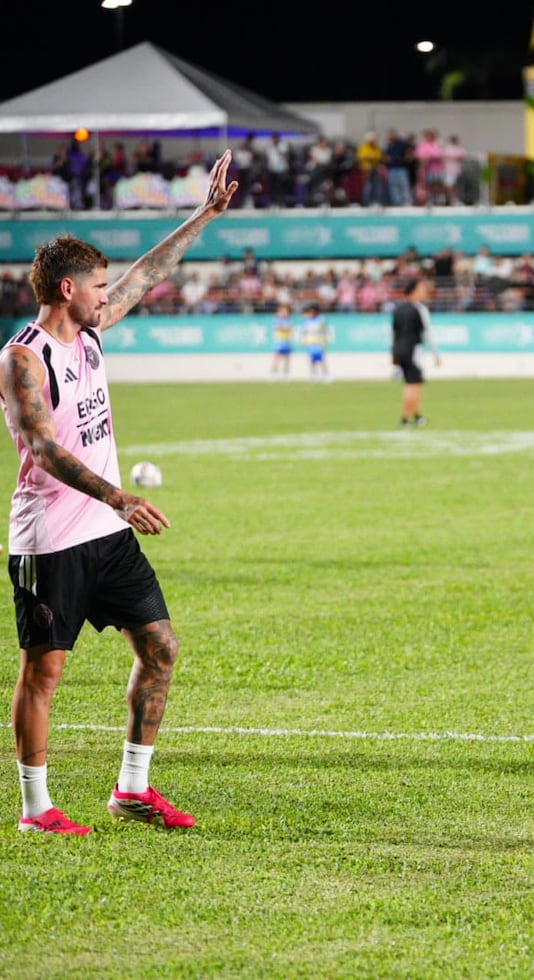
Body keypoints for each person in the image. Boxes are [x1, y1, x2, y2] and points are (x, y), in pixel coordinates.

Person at [0, 150, 238, 835]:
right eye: (99, 285)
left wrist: (205, 214)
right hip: (52, 538)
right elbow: (42, 450)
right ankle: (35, 807)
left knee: (160, 647)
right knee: (44, 673)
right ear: (67, 289)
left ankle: (131, 789)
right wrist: (118, 495)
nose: (110, 293)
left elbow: (150, 273)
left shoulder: (94, 335)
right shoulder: (23, 357)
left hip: (106, 535)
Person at [391, 277, 440, 427]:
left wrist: (393, 353)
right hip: (414, 350)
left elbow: (394, 333)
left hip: (399, 349)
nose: (425, 292)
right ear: (414, 291)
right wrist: (436, 354)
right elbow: (427, 333)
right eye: (422, 289)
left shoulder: (397, 309)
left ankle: (417, 416)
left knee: (410, 383)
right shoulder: (420, 309)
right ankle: (405, 418)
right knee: (414, 384)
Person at [300, 302, 330, 381]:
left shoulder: (321, 320)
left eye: (313, 311)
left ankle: (325, 375)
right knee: (312, 360)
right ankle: (313, 375)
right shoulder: (306, 320)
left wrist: (325, 342)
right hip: (310, 343)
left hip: (319, 342)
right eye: (310, 312)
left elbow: (325, 331)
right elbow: (303, 332)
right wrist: (304, 342)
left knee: (321, 359)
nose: (311, 313)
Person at [270, 301, 295, 377]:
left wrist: (284, 328)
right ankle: (274, 372)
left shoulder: (289, 320)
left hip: (287, 340)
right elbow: (276, 328)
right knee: (277, 356)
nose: (285, 313)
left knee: (287, 357)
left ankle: (286, 372)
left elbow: (290, 329)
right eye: (283, 311)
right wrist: (284, 328)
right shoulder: (277, 319)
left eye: (286, 311)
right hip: (280, 340)